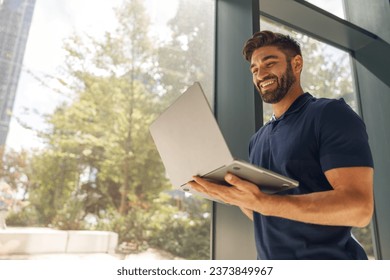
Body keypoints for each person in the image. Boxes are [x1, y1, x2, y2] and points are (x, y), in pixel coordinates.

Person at [188, 30, 374, 260]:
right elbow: (266, 214)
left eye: (269, 63)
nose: (260, 74)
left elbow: (359, 208)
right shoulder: (258, 139)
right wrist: (233, 197)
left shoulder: (330, 114)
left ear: (296, 64)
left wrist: (264, 202)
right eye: (254, 70)